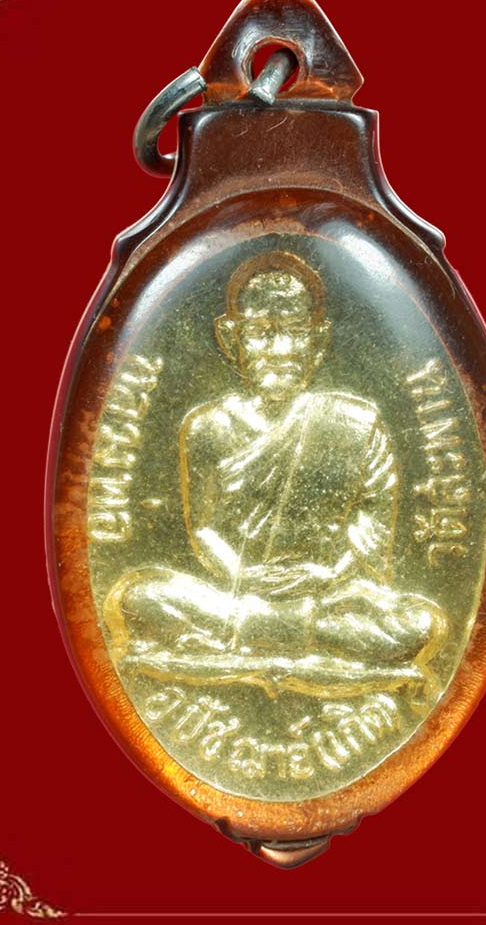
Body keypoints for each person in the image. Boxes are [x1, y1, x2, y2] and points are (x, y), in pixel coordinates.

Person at [104, 250, 447, 698]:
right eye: (261, 333)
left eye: (295, 333)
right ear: (231, 338)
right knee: (139, 599)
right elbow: (203, 527)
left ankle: (256, 635)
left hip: (327, 597)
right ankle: (291, 634)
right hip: (236, 594)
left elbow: (371, 529)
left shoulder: (356, 423)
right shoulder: (207, 427)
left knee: (418, 625)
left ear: (318, 341)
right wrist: (243, 575)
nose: (280, 350)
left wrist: (327, 575)